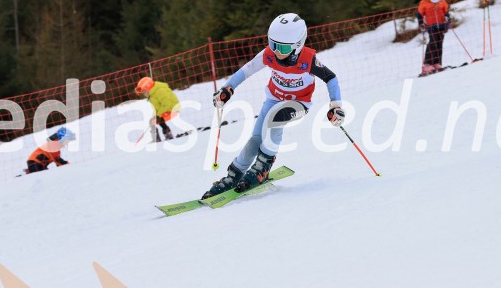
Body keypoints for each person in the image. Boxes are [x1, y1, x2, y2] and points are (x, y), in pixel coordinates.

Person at [202, 13, 344, 198]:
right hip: (273, 99)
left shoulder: (308, 59)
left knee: (276, 118)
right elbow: (246, 70)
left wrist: (335, 106)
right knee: (256, 140)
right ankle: (234, 175)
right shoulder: (268, 55)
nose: (276, 50)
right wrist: (228, 88)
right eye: (272, 43)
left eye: (282, 47)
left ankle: (264, 166)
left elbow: (331, 78)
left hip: (298, 104)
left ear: (297, 45)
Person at [416, 0, 450, 75]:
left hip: (441, 26)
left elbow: (446, 12)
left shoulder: (442, 1)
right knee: (433, 43)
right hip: (431, 26)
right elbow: (419, 14)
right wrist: (421, 23)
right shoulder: (425, 2)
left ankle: (436, 62)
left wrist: (447, 18)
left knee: (439, 44)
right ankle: (427, 64)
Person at [135, 76, 182, 142]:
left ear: (148, 87)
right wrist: (155, 115)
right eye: (143, 93)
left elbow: (166, 104)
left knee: (157, 120)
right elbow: (157, 107)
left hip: (172, 109)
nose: (144, 94)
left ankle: (167, 136)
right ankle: (158, 137)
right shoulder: (152, 94)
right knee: (153, 120)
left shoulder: (160, 91)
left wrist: (158, 115)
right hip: (165, 109)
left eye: (145, 92)